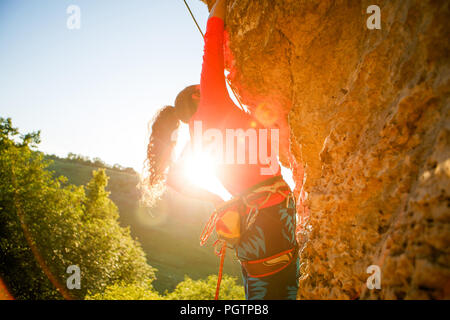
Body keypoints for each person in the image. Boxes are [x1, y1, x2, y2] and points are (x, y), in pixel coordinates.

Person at [144, 0, 299, 300]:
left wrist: (216, 199)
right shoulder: (211, 99)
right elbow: (211, 46)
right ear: (195, 93)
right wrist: (219, 6)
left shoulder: (197, 134)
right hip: (272, 218)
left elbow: (174, 178)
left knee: (262, 296)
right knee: (286, 292)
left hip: (252, 231)